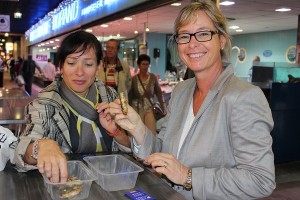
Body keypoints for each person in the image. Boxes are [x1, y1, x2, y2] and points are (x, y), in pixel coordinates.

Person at [107, 2, 275, 199]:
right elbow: (165, 155)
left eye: (203, 33)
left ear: (221, 40)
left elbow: (260, 180)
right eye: (184, 36)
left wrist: (188, 177)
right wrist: (138, 130)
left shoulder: (244, 97)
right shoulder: (181, 91)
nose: (192, 44)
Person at [14, 31, 131, 183]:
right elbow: (22, 151)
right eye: (71, 63)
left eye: (88, 64)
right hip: (66, 187)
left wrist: (116, 132)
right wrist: (42, 146)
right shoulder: (46, 103)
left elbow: (131, 149)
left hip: (110, 184)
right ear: (61, 66)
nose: (79, 72)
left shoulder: (110, 97)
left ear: (98, 66)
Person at [128, 54, 166, 134]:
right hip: (136, 108)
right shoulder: (134, 79)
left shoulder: (153, 78)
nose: (145, 67)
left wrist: (163, 107)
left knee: (152, 131)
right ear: (138, 65)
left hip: (149, 108)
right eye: (143, 64)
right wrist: (128, 109)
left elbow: (158, 92)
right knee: (138, 132)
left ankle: (151, 146)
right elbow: (130, 95)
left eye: (147, 64)